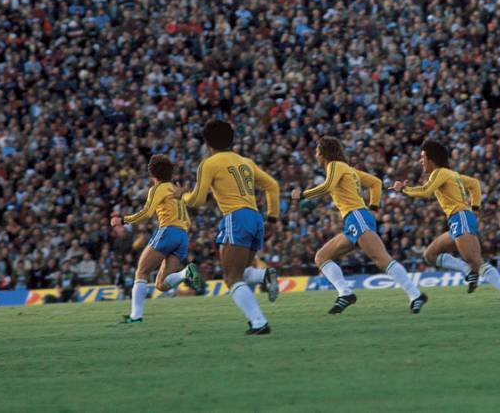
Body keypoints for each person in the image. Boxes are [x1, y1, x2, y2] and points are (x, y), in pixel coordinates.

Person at [291, 136, 428, 314]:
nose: (316, 155)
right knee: (321, 257)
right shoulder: (348, 170)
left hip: (356, 216)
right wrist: (373, 207)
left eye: (317, 152)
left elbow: (327, 186)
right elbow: (376, 183)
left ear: (324, 154)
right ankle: (345, 293)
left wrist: (302, 194)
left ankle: (415, 294)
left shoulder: (334, 165)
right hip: (354, 220)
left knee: (381, 258)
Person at [391, 140, 500, 308]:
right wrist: (475, 208)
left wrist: (403, 189)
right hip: (457, 220)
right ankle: (467, 271)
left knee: (475, 260)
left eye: (423, 157)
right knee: (430, 255)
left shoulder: (439, 172)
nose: (420, 161)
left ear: (432, 159)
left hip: (460, 218)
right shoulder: (452, 174)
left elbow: (426, 191)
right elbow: (474, 184)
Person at [180, 121, 281, 335]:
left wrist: (183, 196)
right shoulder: (245, 161)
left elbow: (197, 200)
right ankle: (264, 276)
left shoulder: (210, 163)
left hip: (236, 218)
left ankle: (258, 322)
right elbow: (272, 186)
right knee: (241, 272)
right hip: (255, 217)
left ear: (207, 142)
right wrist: (272, 219)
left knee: (231, 278)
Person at [111, 154, 201, 323]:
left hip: (168, 232)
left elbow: (147, 213)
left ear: (152, 174)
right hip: (183, 236)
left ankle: (136, 316)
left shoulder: (158, 189)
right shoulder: (175, 190)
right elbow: (188, 217)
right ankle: (185, 273)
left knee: (141, 271)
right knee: (161, 284)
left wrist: (122, 220)